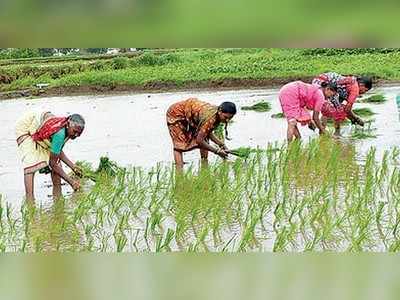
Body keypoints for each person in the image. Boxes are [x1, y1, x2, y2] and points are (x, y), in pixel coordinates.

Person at [16, 111, 85, 202]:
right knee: (31, 165)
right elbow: (53, 164)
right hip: (26, 126)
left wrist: (73, 167)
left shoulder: (67, 130)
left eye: (79, 133)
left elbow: (57, 150)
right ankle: (30, 200)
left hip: (42, 123)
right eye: (75, 131)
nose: (76, 135)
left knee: (56, 165)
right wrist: (71, 182)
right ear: (68, 124)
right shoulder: (59, 134)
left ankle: (57, 198)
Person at [166, 98, 236, 170]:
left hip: (191, 112)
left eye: (230, 118)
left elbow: (207, 132)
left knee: (204, 137)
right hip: (176, 113)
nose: (227, 120)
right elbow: (199, 140)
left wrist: (222, 145)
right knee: (179, 144)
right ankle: (179, 170)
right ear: (220, 111)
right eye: (225, 117)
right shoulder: (210, 118)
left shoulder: (216, 115)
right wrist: (217, 151)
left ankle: (204, 164)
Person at [279, 80, 345, 142]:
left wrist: (310, 122)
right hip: (291, 93)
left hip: (287, 90)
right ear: (328, 89)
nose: (331, 97)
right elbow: (315, 117)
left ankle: (297, 139)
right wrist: (323, 130)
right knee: (292, 122)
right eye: (332, 94)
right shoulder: (321, 96)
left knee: (295, 127)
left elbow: (307, 107)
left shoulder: (318, 90)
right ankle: (289, 147)